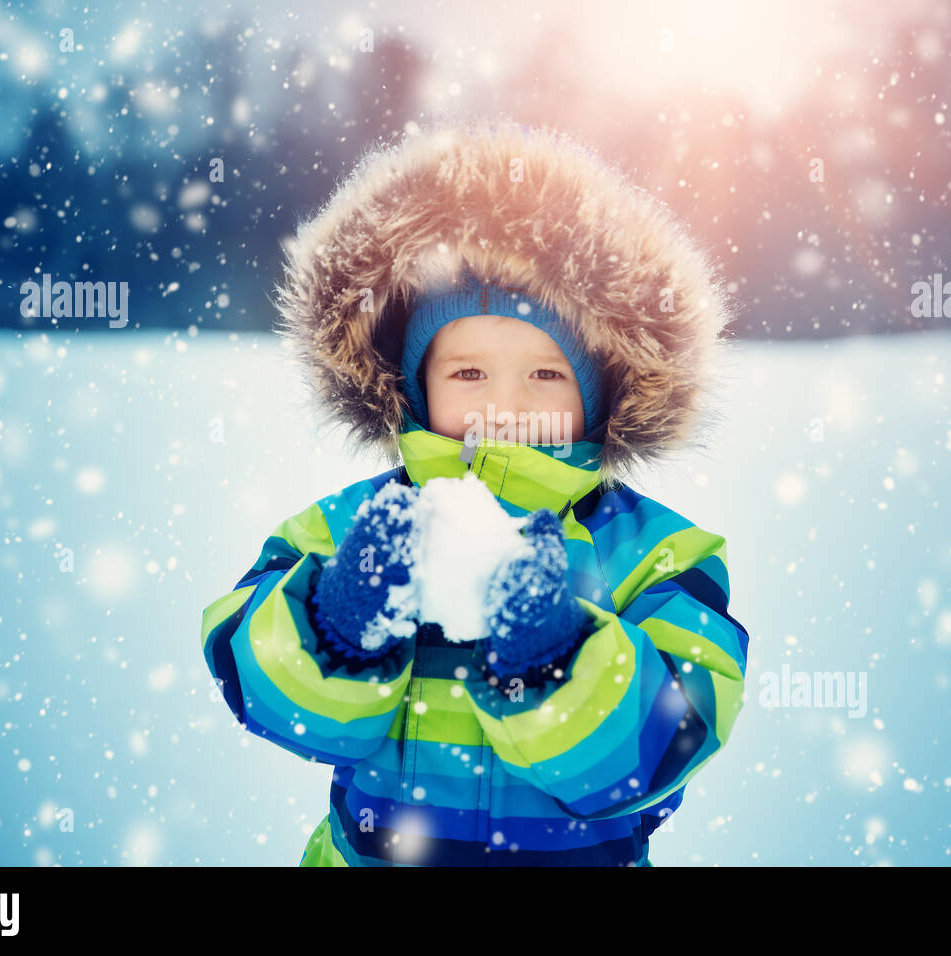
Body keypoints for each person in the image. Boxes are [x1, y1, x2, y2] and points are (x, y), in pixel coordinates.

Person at [199, 116, 751, 866]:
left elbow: (671, 741)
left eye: (546, 374)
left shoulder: (656, 554)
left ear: (601, 392)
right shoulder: (350, 528)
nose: (506, 404)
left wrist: (555, 658)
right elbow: (265, 688)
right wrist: (336, 625)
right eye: (468, 374)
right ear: (414, 385)